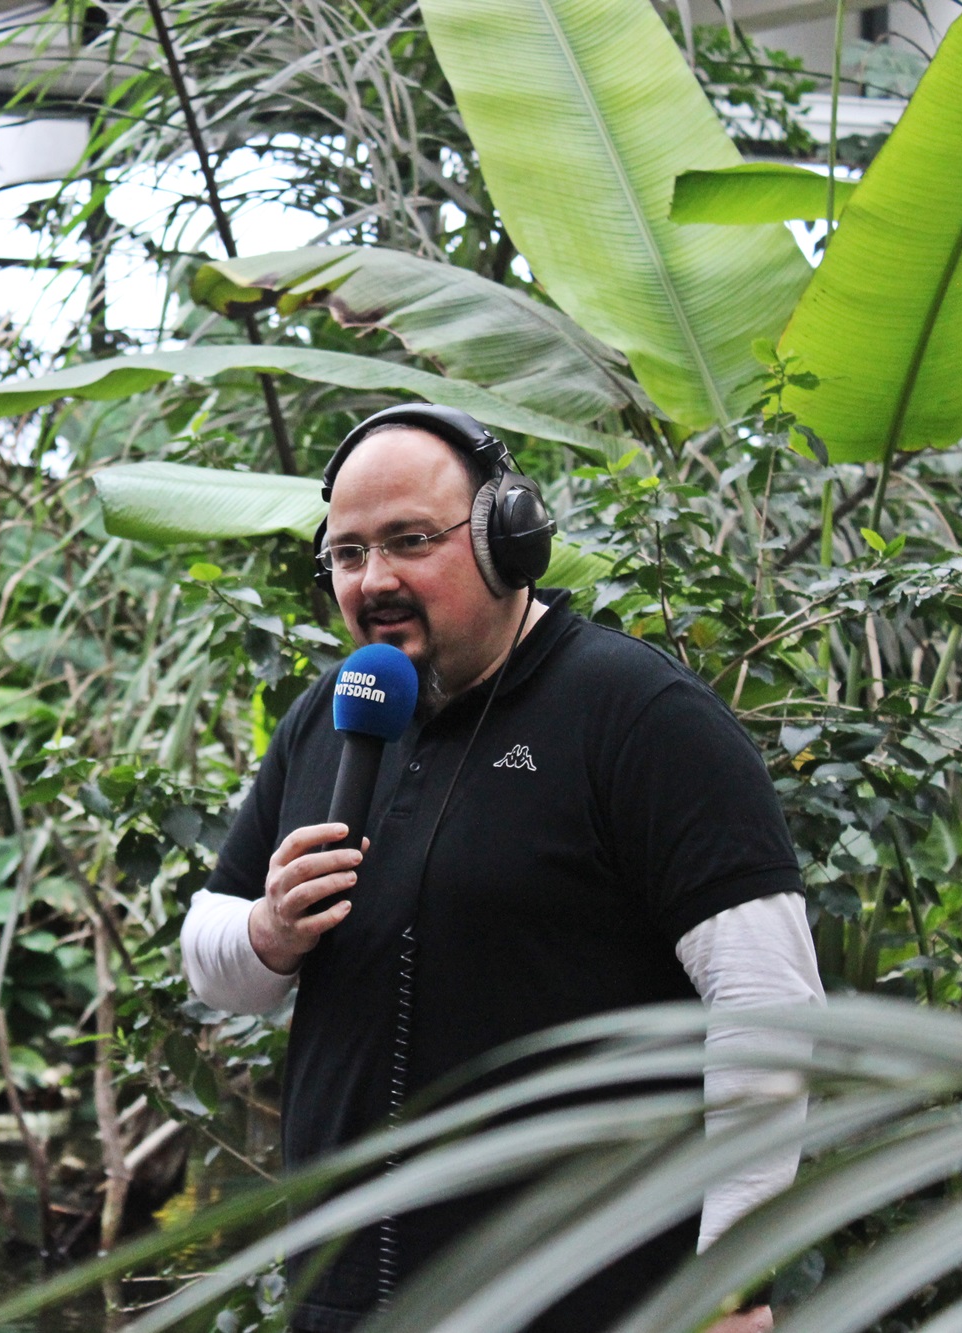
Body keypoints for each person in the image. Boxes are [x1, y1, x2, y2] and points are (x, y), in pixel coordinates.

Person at [181, 405, 824, 1333]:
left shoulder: (640, 715)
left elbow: (764, 1001)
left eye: (410, 540)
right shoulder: (331, 714)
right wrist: (269, 931)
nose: (376, 579)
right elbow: (212, 960)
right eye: (350, 553)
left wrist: (728, 1282)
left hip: (586, 1302)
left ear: (506, 539)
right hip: (345, 1301)